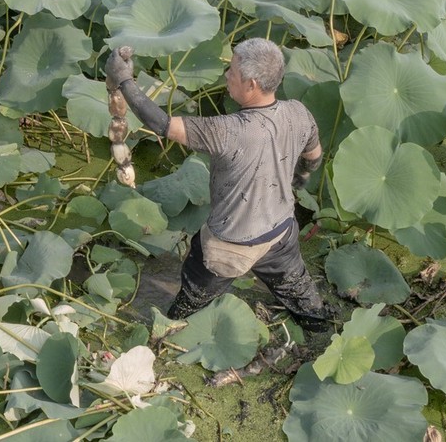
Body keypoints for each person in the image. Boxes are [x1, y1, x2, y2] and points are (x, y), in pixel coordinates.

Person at [104, 38, 333, 331]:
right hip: (280, 236)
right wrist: (298, 178)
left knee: (184, 311)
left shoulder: (226, 131)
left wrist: (124, 81)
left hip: (228, 248)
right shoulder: (299, 112)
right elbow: (313, 157)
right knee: (307, 306)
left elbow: (161, 123)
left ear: (251, 84)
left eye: (232, 72)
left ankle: (169, 335)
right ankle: (321, 332)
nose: (226, 75)